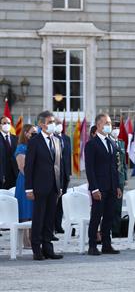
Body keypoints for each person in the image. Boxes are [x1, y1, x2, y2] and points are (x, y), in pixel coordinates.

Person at [25, 111, 64, 260]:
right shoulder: (35, 142)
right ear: (41, 124)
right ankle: (37, 249)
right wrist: (29, 188)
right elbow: (29, 166)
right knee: (39, 218)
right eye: (50, 122)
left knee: (50, 219)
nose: (53, 124)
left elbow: (58, 165)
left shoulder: (56, 140)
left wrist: (59, 186)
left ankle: (48, 248)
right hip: (39, 186)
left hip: (53, 186)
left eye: (53, 121)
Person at [84, 113, 122, 255]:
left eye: (110, 123)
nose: (109, 126)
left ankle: (107, 244)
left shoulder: (111, 142)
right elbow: (90, 168)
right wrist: (94, 188)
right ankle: (92, 245)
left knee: (109, 217)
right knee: (96, 217)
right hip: (99, 187)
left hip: (111, 186)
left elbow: (115, 167)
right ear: (98, 125)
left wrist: (117, 185)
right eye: (106, 123)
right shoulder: (91, 144)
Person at [14, 124, 37, 248]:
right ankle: (25, 240)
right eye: (32, 132)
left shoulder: (34, 146)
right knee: (25, 211)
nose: (34, 134)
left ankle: (33, 238)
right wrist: (32, 181)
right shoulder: (21, 148)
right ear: (26, 133)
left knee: (33, 211)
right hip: (25, 182)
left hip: (34, 182)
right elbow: (22, 167)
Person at [109, 121, 128, 238]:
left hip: (120, 177)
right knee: (109, 205)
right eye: (114, 128)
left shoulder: (121, 143)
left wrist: (125, 177)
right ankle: (108, 228)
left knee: (118, 205)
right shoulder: (108, 142)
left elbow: (124, 162)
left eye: (117, 128)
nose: (116, 130)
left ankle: (116, 229)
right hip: (110, 178)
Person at [54, 118, 71, 234]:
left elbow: (68, 157)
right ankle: (50, 226)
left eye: (60, 123)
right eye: (56, 124)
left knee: (61, 202)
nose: (59, 125)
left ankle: (58, 225)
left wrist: (68, 173)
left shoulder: (66, 138)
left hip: (64, 174)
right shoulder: (51, 138)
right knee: (52, 201)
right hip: (54, 175)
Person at [0, 116, 19, 189]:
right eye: (4, 123)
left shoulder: (16, 138)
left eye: (8, 123)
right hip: (2, 175)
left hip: (15, 175)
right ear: (0, 125)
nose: (7, 125)